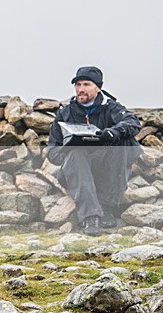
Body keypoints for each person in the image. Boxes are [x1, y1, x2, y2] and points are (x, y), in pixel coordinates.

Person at [47, 66, 141, 236]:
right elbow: (52, 152)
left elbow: (132, 122)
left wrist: (112, 133)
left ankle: (107, 206)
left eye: (86, 84)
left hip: (108, 170)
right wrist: (71, 147)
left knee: (123, 141)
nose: (80, 89)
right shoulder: (65, 113)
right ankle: (90, 216)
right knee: (76, 153)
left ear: (98, 87)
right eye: (77, 84)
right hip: (76, 171)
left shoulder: (111, 107)